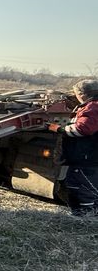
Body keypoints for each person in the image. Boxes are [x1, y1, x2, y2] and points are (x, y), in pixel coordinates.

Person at [49, 79, 98, 217]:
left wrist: (59, 129)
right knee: (86, 187)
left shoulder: (93, 107)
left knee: (81, 188)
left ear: (82, 94)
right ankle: (88, 215)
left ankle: (84, 218)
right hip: (89, 157)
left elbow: (84, 129)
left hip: (86, 158)